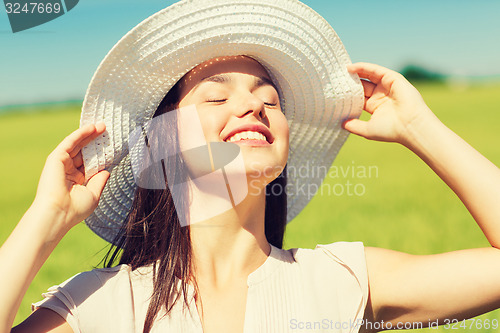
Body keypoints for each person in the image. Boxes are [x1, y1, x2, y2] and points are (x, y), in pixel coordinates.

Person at [2, 0, 500, 332]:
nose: (254, 107)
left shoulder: (339, 278)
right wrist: (46, 218)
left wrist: (421, 128)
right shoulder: (105, 306)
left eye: (269, 99)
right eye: (216, 97)